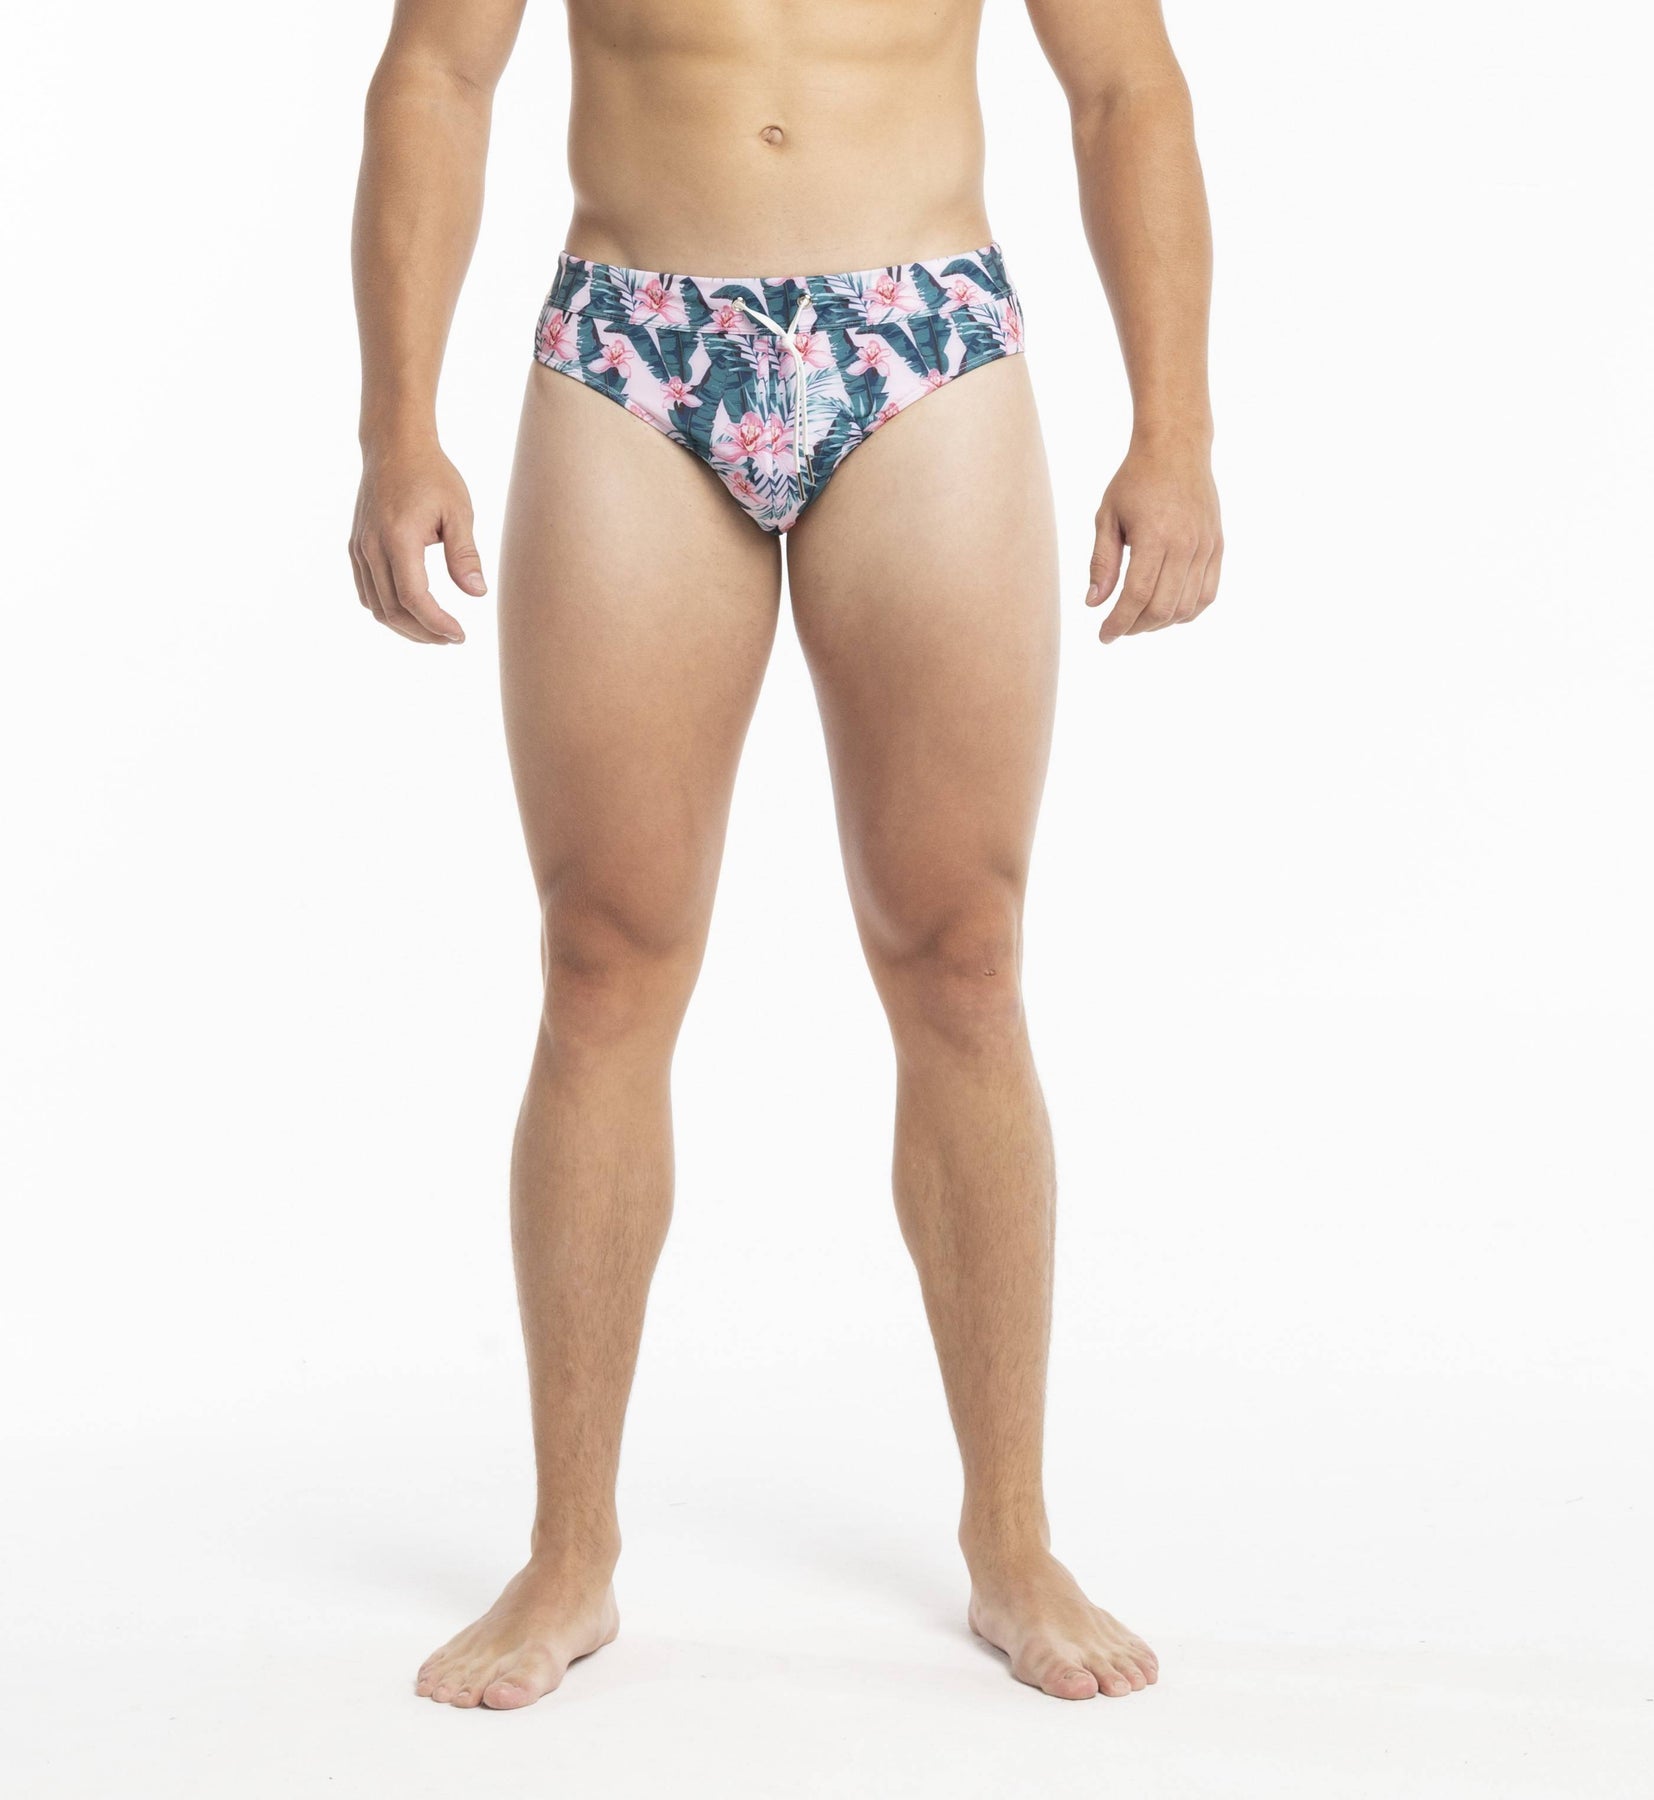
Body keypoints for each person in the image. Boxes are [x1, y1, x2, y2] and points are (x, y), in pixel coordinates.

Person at [349, 0, 1221, 1711]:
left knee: (960, 955)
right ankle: (569, 1552)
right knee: (602, 956)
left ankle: (1012, 1537)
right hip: (632, 341)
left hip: (920, 339)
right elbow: (437, 72)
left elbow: (1125, 84)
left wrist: (1174, 431)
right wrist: (397, 425)